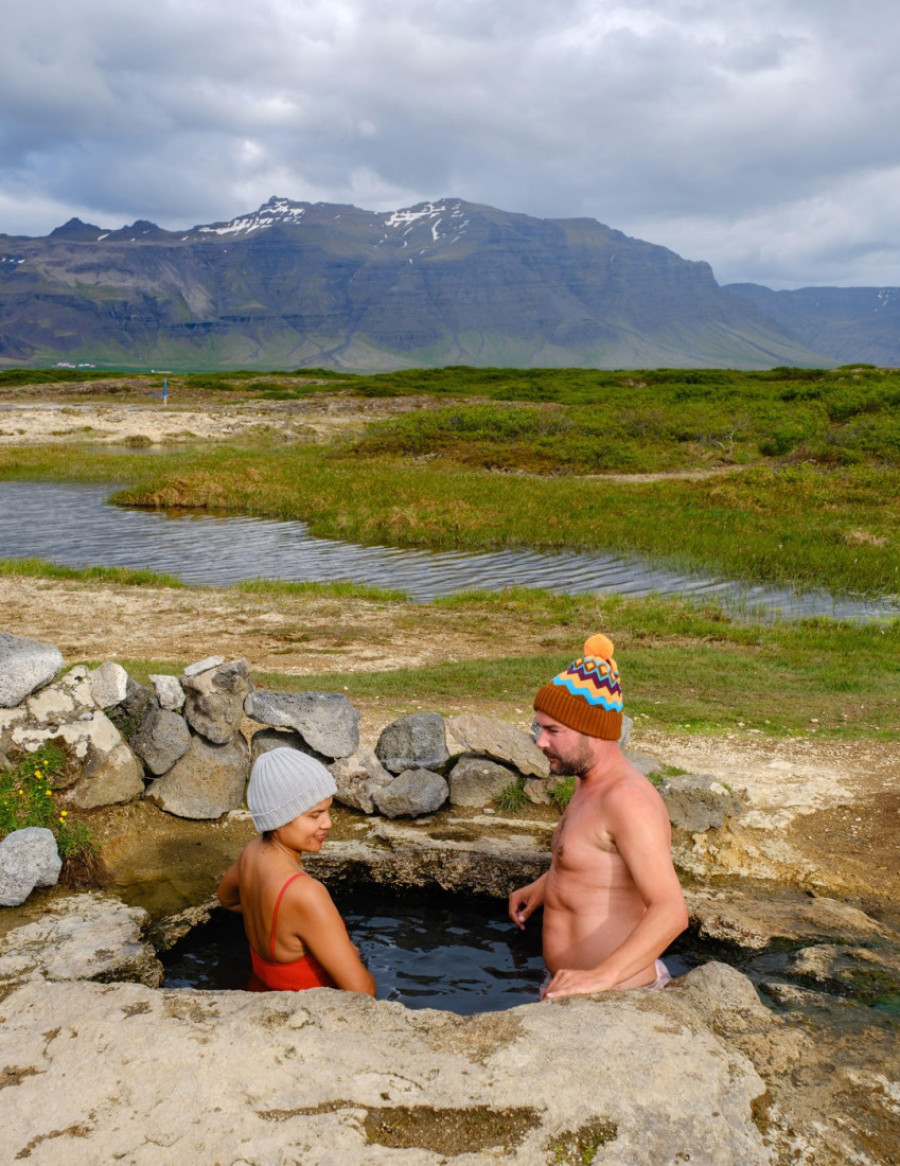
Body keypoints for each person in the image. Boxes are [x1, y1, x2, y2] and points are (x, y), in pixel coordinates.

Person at [509, 634, 688, 999]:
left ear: (593, 731)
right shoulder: (587, 782)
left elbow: (671, 910)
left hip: (616, 996)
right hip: (573, 988)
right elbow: (594, 859)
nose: (540, 742)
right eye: (539, 728)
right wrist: (545, 885)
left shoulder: (628, 800)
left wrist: (601, 977)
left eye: (553, 731)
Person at [218, 747, 376, 995]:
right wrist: (343, 950)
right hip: (307, 1011)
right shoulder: (305, 893)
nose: (328, 823)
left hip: (259, 993)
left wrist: (286, 927)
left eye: (328, 810)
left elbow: (227, 899)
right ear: (279, 819)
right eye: (315, 815)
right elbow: (363, 992)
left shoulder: (251, 853)